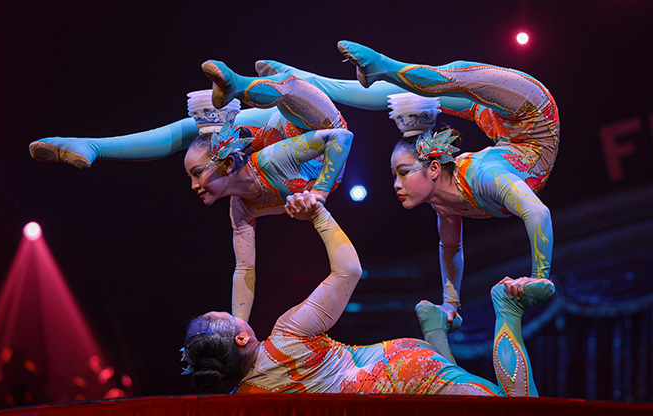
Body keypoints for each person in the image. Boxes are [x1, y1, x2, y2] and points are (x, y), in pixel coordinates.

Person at [257, 40, 560, 326]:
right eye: (396, 175)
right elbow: (451, 249)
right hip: (526, 120)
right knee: (419, 88)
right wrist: (451, 305)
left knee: (453, 74)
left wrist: (539, 277)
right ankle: (299, 83)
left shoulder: (481, 176)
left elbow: (537, 212)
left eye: (402, 172)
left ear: (434, 168)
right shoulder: (456, 194)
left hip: (530, 111)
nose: (396, 185)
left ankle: (384, 67)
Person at [30, 62, 353, 321]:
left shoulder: (269, 162)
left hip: (313, 129)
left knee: (290, 90)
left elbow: (341, 138)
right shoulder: (241, 208)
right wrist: (238, 325)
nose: (193, 186)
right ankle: (91, 147)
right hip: (279, 135)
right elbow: (244, 269)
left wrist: (320, 194)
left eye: (197, 174)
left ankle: (248, 83)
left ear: (227, 165)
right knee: (190, 131)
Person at [181, 191, 555, 396]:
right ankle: (505, 308)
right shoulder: (288, 333)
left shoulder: (246, 403)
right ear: (242, 337)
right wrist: (319, 216)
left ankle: (436, 329)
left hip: (400, 384)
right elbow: (349, 270)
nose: (238, 313)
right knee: (520, 408)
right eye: (231, 316)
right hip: (407, 373)